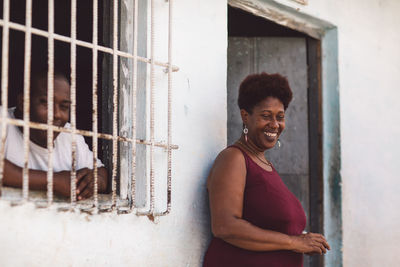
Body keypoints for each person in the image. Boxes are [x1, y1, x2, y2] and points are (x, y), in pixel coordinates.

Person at [203, 73, 330, 266]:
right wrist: (294, 242)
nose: (275, 124)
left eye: (280, 117)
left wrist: (303, 238)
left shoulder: (264, 165)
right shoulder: (234, 158)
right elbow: (225, 226)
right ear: (245, 116)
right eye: (265, 116)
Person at [2, 69, 107, 200]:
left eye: (64, 107)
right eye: (46, 103)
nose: (56, 114)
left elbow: (101, 171)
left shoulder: (69, 135)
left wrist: (95, 181)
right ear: (24, 103)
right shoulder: (3, 121)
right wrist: (54, 181)